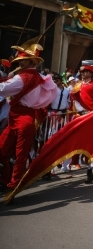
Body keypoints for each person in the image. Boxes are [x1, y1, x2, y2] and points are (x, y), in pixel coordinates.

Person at [0, 42, 57, 193]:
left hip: (23, 119)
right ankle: (7, 181)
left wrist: (7, 77)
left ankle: (14, 184)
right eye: (19, 61)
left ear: (31, 62)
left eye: (23, 61)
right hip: (18, 118)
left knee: (19, 154)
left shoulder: (23, 77)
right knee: (4, 151)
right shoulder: (37, 76)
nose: (19, 63)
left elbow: (3, 90)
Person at [70, 64, 93, 183]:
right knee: (77, 141)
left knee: (91, 144)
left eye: (86, 72)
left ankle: (90, 170)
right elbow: (73, 99)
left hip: (90, 116)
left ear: (91, 73)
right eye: (82, 72)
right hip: (79, 116)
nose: (83, 73)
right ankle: (74, 162)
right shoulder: (78, 85)